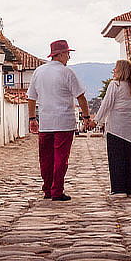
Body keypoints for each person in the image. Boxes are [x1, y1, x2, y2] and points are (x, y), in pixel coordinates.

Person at [27, 40, 93, 201]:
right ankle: (57, 191)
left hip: (46, 122)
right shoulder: (67, 72)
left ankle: (47, 189)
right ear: (61, 54)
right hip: (64, 122)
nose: (69, 57)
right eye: (68, 53)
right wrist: (86, 117)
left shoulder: (39, 72)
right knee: (60, 158)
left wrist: (32, 118)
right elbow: (81, 97)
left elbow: (31, 97)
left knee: (46, 158)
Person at [93, 59, 131, 197]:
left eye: (115, 68)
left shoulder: (115, 85)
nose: (113, 70)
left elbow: (107, 104)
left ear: (121, 70)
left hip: (116, 128)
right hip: (130, 129)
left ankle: (118, 189)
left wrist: (97, 120)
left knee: (116, 158)